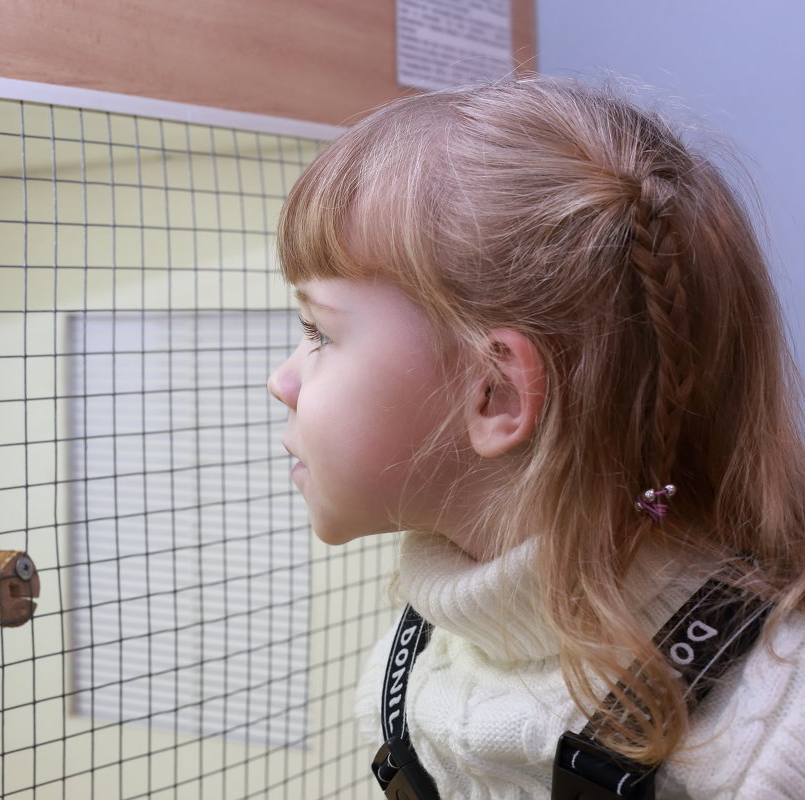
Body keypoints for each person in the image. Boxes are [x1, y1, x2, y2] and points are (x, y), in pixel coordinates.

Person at [266, 78, 805, 799]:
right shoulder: (424, 657)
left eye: (318, 333)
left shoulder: (775, 732)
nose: (283, 381)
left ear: (497, 393)